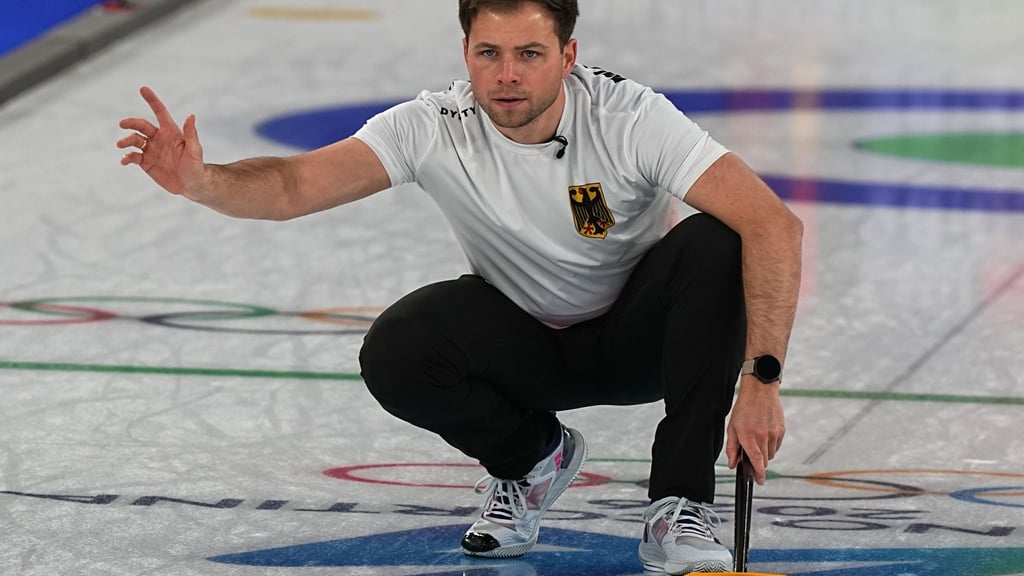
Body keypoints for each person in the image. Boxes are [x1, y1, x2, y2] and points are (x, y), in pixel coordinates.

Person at [117, 0, 801, 573]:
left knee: (719, 238)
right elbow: (296, 184)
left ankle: (679, 504)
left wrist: (760, 382)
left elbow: (776, 227)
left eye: (530, 54)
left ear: (568, 56)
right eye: (488, 53)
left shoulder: (630, 118)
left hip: (642, 342)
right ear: (466, 51)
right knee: (400, 347)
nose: (506, 76)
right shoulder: (432, 124)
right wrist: (204, 184)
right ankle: (533, 460)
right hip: (527, 352)